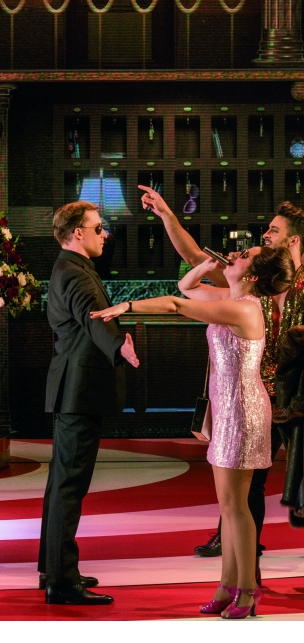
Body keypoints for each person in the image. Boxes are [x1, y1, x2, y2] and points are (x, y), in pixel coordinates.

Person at [92, 245, 294, 617]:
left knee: (236, 508)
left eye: (244, 255)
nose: (234, 254)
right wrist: (206, 265)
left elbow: (176, 304)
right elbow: (186, 287)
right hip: (228, 409)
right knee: (228, 507)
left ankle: (247, 590)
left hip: (243, 411)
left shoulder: (244, 308)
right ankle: (227, 585)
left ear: (252, 276)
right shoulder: (230, 298)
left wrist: (127, 306)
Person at [140, 187, 303, 571]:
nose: (265, 235)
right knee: (250, 485)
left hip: (296, 397)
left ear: (294, 240)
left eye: (274, 231)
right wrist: (166, 215)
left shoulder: (277, 277)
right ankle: (247, 568)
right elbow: (196, 261)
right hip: (256, 396)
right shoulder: (255, 277)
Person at [40, 202, 139, 605]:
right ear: (77, 233)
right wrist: (119, 346)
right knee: (69, 486)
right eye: (98, 228)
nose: (105, 234)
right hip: (79, 391)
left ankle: (53, 568)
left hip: (73, 389)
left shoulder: (70, 267)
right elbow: (93, 316)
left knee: (61, 484)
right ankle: (62, 582)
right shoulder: (74, 273)